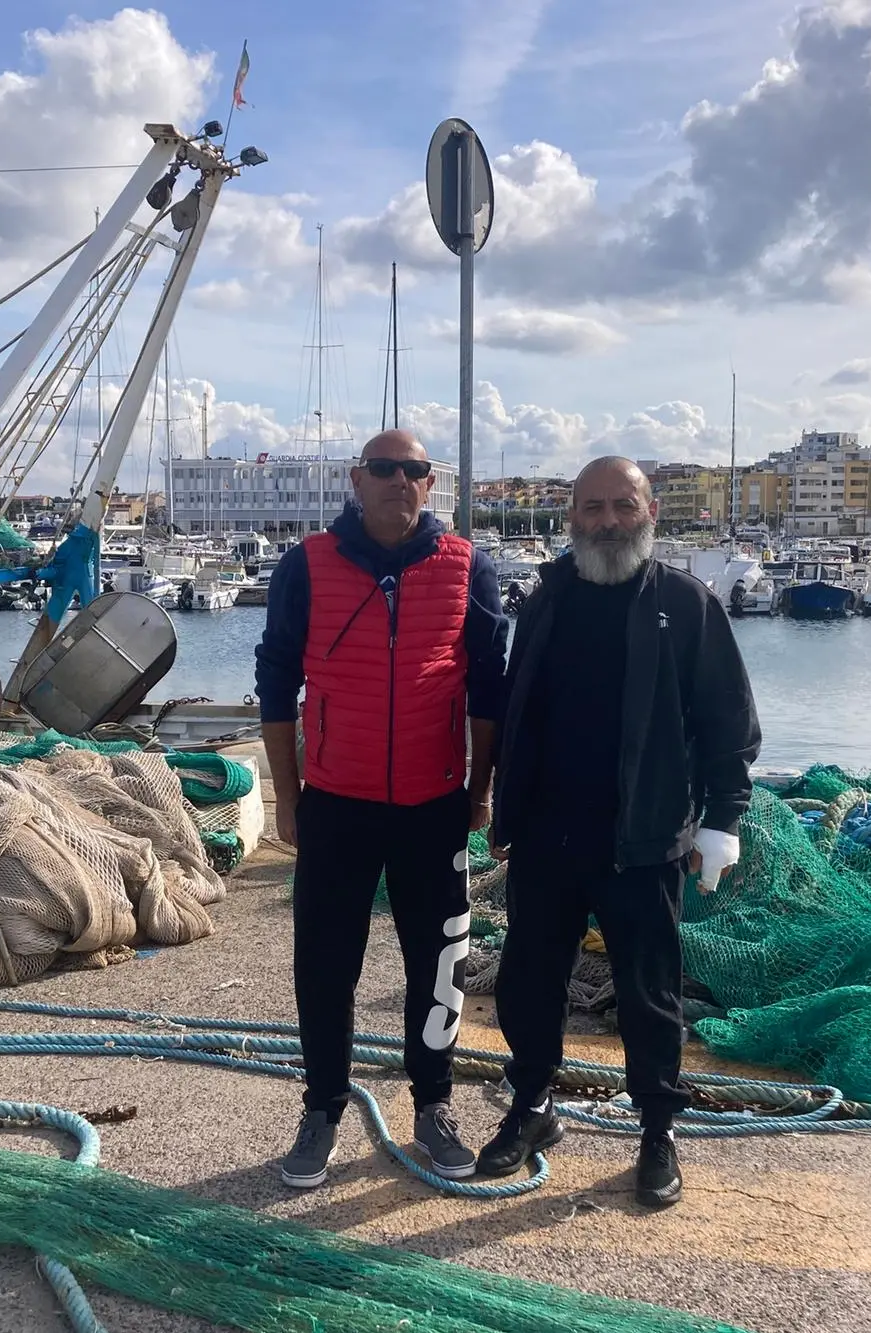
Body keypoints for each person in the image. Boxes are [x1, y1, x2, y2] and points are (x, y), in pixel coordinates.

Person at [478, 455, 759, 1208]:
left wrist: (723, 819)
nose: (607, 521)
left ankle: (658, 1128)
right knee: (528, 982)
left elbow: (728, 722)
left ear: (650, 512)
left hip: (645, 837)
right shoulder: (546, 600)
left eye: (622, 506)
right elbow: (517, 710)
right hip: (547, 835)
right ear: (573, 517)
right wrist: (504, 812)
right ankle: (533, 1105)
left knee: (648, 992)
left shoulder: (687, 604)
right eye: (593, 507)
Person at [254, 429, 509, 1188]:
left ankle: (434, 1105)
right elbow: (275, 683)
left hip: (434, 807)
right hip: (336, 803)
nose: (399, 480)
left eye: (415, 470)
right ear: (356, 479)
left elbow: (489, 691)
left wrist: (482, 790)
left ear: (430, 485)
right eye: (384, 468)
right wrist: (288, 794)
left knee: (439, 963)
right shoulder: (307, 564)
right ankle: (322, 1106)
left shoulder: (468, 568)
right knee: (325, 966)